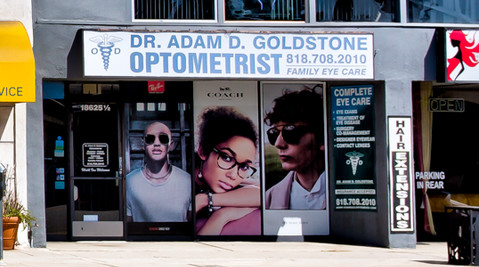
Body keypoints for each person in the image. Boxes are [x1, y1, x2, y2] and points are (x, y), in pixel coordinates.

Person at [192, 106, 261, 236]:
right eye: (227, 158)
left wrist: (210, 203)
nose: (233, 175)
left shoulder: (214, 186)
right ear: (203, 151)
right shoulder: (182, 186)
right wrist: (219, 218)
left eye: (244, 166)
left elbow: (264, 193)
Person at [263, 88, 328, 211]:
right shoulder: (269, 198)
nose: (278, 143)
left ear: (321, 138)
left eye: (290, 132)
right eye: (274, 133)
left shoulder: (347, 192)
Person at [124, 120, 191, 222]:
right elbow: (127, 227)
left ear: (171, 145)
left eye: (163, 138)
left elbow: (191, 226)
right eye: (150, 139)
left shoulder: (187, 181)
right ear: (143, 144)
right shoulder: (129, 181)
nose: (156, 143)